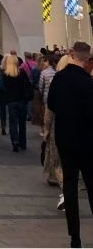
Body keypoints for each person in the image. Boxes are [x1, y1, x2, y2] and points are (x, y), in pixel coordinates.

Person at [47, 40, 93, 248]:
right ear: (87, 59)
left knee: (70, 187)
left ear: (72, 54)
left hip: (65, 139)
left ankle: (75, 236)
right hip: (87, 140)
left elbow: (52, 105)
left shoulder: (60, 78)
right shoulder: (88, 82)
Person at [42, 51, 74, 209]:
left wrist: (46, 128)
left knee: (57, 162)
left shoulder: (58, 81)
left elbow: (50, 108)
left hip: (58, 126)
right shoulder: (81, 80)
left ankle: (66, 193)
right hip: (76, 126)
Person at [0, 52, 33, 151]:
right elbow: (27, 86)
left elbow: (4, 88)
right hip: (22, 101)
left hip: (11, 102)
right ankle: (23, 142)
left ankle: (15, 141)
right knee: (22, 123)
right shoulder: (21, 73)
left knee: (13, 123)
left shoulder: (6, 75)